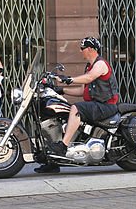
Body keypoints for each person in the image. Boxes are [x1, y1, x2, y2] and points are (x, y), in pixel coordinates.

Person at [37, 36, 119, 174]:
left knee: (76, 108)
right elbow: (83, 90)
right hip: (95, 104)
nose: (81, 51)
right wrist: (61, 90)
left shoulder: (100, 64)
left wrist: (68, 80)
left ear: (91, 49)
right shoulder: (89, 66)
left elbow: (89, 78)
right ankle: (52, 160)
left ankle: (63, 146)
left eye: (83, 48)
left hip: (105, 106)